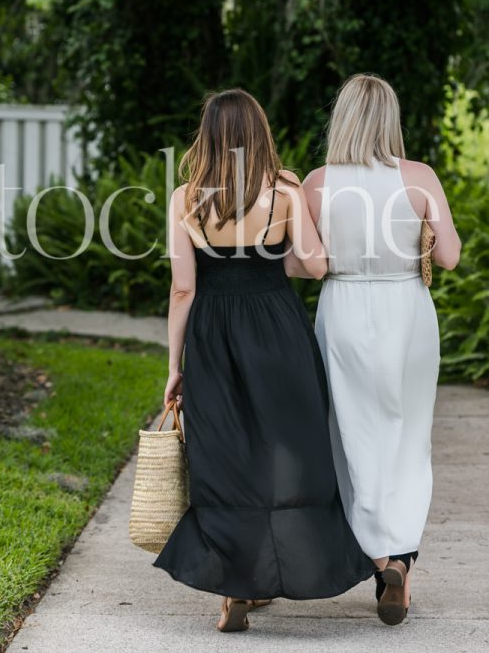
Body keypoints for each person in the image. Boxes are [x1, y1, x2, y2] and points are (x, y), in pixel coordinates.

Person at [152, 88, 374, 633]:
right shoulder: (284, 192)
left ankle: (236, 591)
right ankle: (284, 569)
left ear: (207, 136)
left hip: (212, 332)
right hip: (277, 327)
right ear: (260, 134)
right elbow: (316, 266)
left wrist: (175, 366)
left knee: (224, 453)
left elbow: (183, 290)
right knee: (285, 446)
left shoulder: (186, 198)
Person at [301, 73, 461, 626]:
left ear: (341, 118)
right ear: (391, 119)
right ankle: (402, 567)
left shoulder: (317, 183)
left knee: (351, 434)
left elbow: (304, 262)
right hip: (407, 312)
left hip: (343, 306)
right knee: (407, 437)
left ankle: (381, 557)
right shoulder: (418, 177)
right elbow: (449, 258)